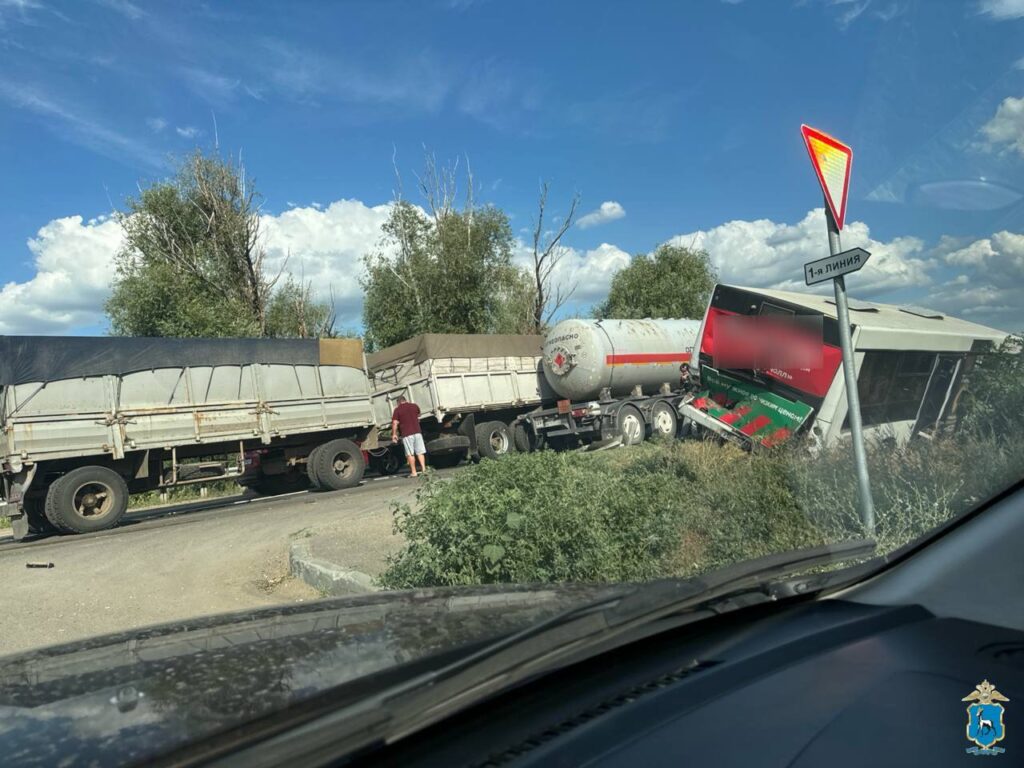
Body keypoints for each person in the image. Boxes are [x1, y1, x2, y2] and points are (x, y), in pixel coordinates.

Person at [391, 395, 427, 477]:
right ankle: (424, 470)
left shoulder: (397, 410)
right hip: (417, 432)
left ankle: (414, 472)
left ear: (398, 402)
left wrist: (394, 434)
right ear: (405, 400)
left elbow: (394, 423)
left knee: (410, 454)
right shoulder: (414, 406)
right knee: (420, 452)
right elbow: (419, 415)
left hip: (407, 434)